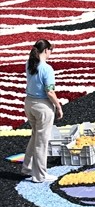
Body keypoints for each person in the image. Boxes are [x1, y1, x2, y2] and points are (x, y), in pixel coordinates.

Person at [22, 40, 62, 183]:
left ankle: (27, 167)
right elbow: (50, 91)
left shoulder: (29, 64)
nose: (51, 53)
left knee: (35, 136)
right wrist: (58, 106)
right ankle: (39, 175)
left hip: (29, 104)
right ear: (46, 50)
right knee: (42, 142)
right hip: (43, 107)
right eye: (51, 50)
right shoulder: (47, 68)